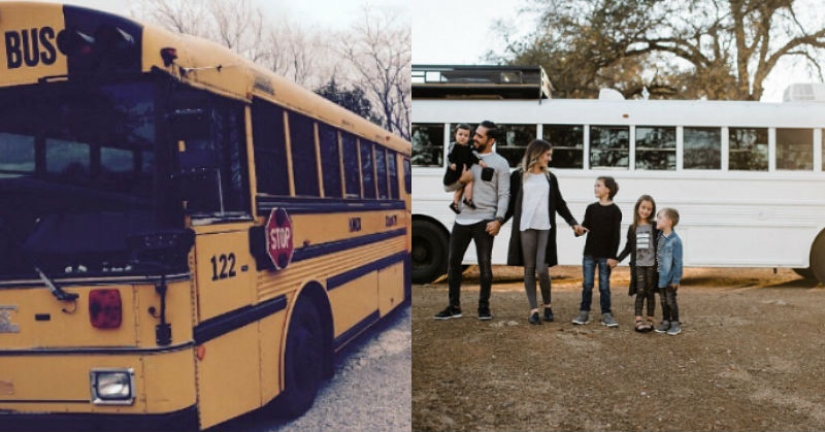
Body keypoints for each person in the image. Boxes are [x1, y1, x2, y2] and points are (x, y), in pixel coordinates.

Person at [434, 120, 510, 321]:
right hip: (462, 219)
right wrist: (462, 180)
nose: (473, 138)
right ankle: (454, 307)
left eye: (479, 136)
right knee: (453, 263)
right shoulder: (461, 156)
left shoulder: (500, 163)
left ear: (491, 140)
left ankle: (483, 307)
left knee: (485, 265)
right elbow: (448, 187)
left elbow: (504, 194)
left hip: (485, 219)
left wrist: (499, 220)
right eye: (473, 134)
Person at [503, 139, 585, 325]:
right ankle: (534, 310)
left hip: (545, 227)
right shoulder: (518, 176)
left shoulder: (550, 178)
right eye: (547, 155)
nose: (550, 158)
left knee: (542, 268)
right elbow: (510, 205)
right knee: (529, 268)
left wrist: (573, 223)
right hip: (526, 227)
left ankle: (547, 305)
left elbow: (559, 203)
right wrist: (498, 221)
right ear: (537, 154)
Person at [572, 176, 622, 327]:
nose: (595, 188)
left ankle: (606, 314)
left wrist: (613, 257)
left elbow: (616, 236)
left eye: (598, 186)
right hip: (589, 254)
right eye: (595, 186)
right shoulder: (591, 208)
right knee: (587, 284)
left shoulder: (615, 211)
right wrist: (578, 231)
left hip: (605, 256)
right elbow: (584, 228)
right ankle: (584, 312)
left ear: (608, 189)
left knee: (604, 286)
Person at [616, 195, 658, 332]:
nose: (645, 211)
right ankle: (638, 321)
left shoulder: (655, 227)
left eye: (649, 209)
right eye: (643, 208)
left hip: (652, 265)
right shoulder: (632, 228)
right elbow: (628, 247)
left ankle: (650, 320)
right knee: (640, 291)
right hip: (638, 265)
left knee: (650, 292)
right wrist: (617, 259)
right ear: (638, 208)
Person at [654, 207, 684, 335]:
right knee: (663, 299)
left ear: (669, 222)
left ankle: (675, 323)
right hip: (660, 276)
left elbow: (678, 262)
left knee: (671, 299)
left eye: (660, 217)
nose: (657, 220)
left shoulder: (675, 241)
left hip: (670, 277)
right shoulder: (659, 237)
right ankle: (666, 320)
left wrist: (676, 279)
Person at [443, 123, 479, 213]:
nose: (463, 137)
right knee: (464, 184)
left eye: (466, 135)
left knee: (462, 187)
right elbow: (448, 157)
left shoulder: (468, 148)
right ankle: (462, 201)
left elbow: (472, 158)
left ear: (469, 137)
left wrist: (479, 161)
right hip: (453, 175)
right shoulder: (453, 146)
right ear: (455, 135)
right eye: (460, 134)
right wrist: (451, 164)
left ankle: (463, 201)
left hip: (461, 173)